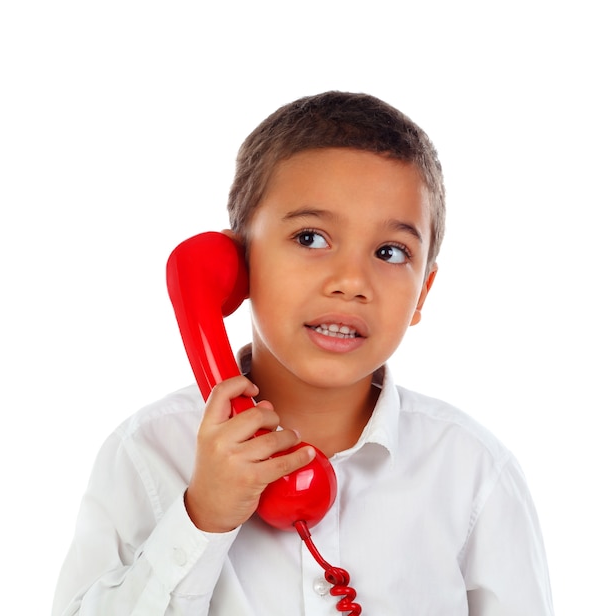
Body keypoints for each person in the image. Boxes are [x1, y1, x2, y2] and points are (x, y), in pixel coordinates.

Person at [52, 91, 554, 615]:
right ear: (236, 265)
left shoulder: (475, 473)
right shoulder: (146, 452)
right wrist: (201, 518)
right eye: (311, 238)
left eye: (390, 252)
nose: (351, 281)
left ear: (423, 292)